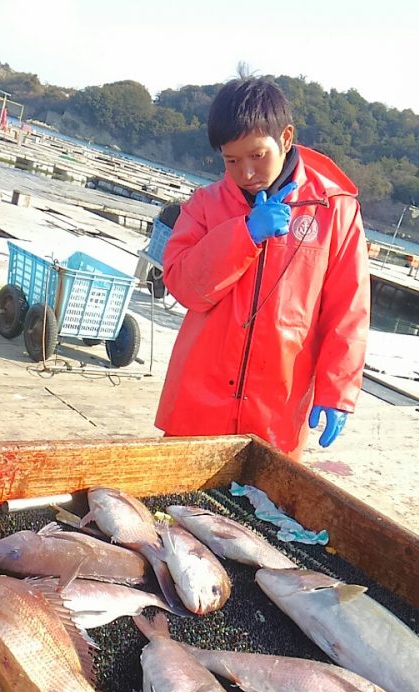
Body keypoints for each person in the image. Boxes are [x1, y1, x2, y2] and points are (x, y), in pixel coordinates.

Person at [154, 77, 370, 460]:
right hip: (197, 404)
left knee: (259, 513)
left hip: (277, 411)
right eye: (231, 161)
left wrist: (338, 391)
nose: (247, 172)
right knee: (173, 512)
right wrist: (244, 234)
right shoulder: (205, 204)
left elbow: (349, 309)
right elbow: (181, 283)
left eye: (257, 155)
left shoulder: (335, 209)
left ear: (285, 138)